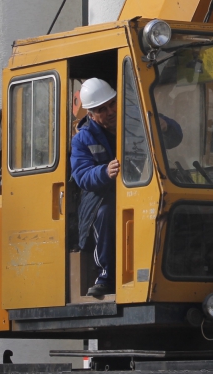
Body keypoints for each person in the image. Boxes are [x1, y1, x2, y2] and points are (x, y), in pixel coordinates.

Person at [71, 78, 182, 297]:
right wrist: (104, 172)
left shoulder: (135, 119)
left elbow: (174, 137)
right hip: (102, 198)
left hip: (141, 187)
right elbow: (82, 175)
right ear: (91, 114)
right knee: (106, 214)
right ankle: (106, 276)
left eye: (112, 104)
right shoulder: (83, 140)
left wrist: (166, 126)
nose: (110, 111)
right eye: (102, 109)